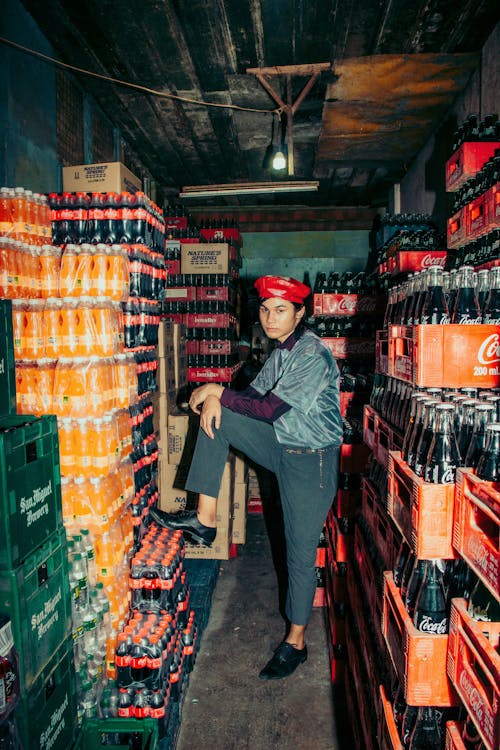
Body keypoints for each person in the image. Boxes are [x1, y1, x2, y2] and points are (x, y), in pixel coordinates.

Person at [151, 275, 343, 680]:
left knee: (299, 552)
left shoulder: (313, 354)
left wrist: (214, 391)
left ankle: (296, 641)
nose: (270, 318)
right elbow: (250, 400)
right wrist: (213, 396)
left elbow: (270, 409)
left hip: (311, 462)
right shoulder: (279, 354)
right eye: (265, 309)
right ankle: (204, 519)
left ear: (300, 313)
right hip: (281, 445)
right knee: (219, 418)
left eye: (281, 310)